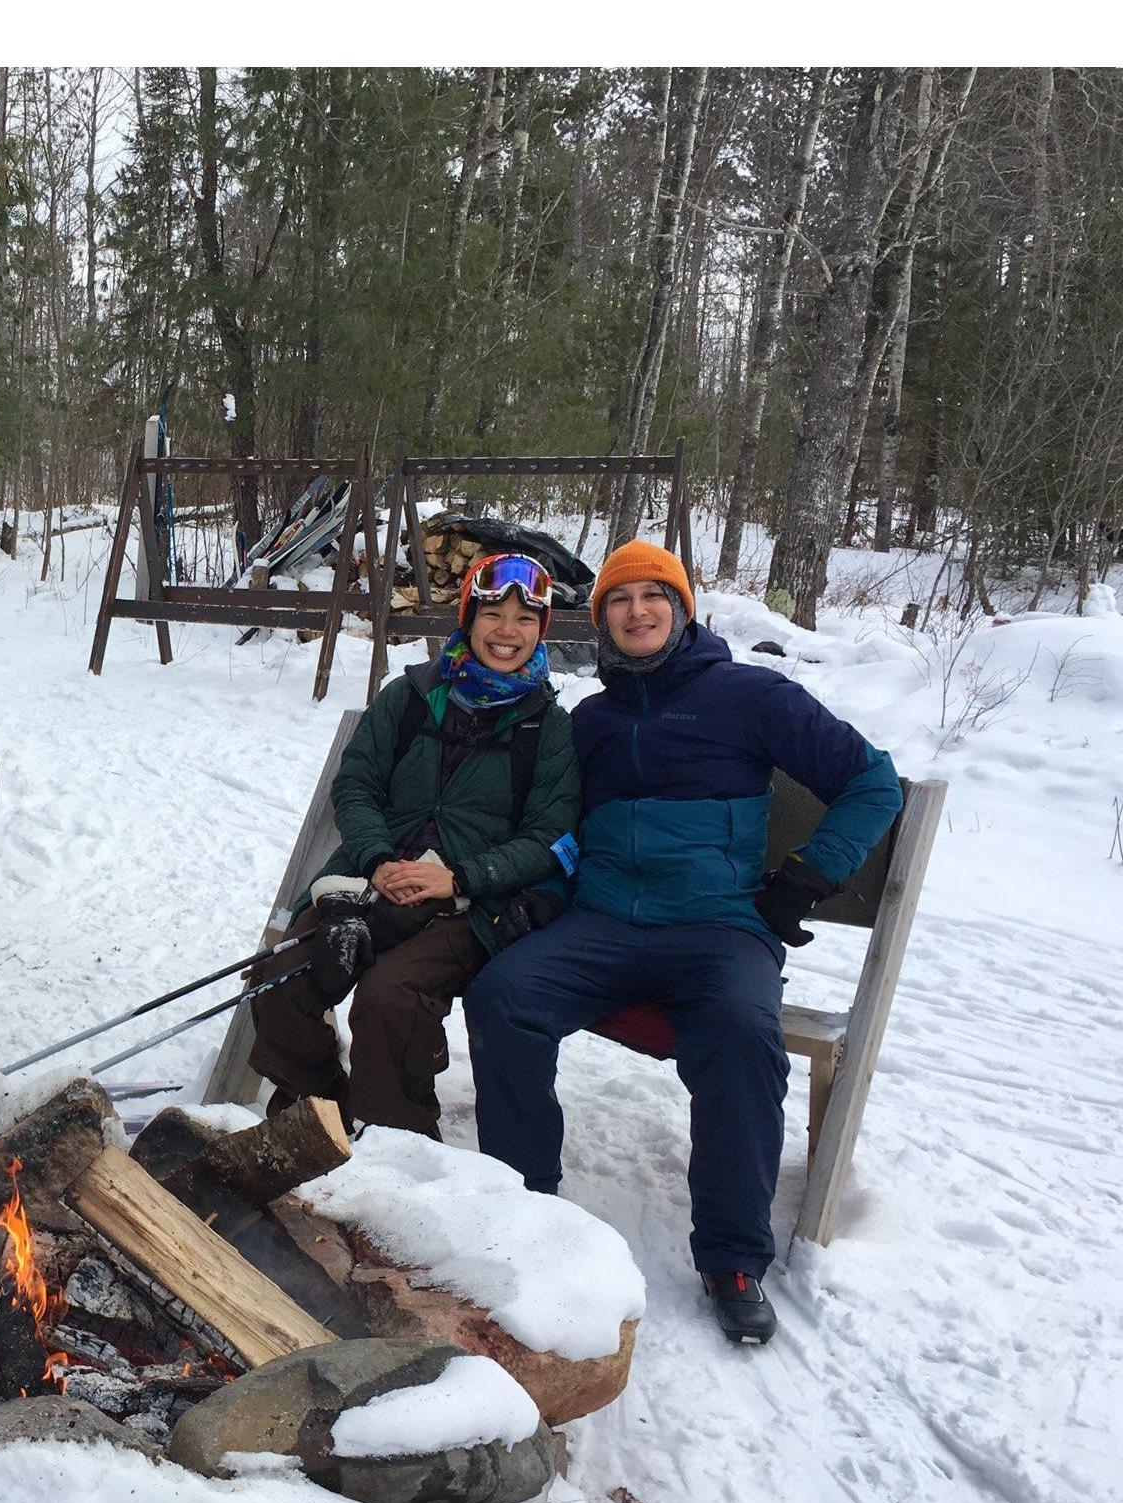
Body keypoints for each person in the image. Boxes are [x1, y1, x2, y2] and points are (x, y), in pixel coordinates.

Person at [462, 542, 904, 1346]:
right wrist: (542, 896)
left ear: (682, 608)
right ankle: (525, 1204)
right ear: (601, 620)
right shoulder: (591, 720)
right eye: (619, 600)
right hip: (600, 926)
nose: (636, 611)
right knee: (504, 995)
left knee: (741, 1033)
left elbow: (872, 780)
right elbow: (562, 828)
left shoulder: (750, 696)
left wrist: (807, 875)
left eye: (652, 597)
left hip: (716, 930)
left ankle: (733, 1258)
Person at [250, 553, 581, 1139]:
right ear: (468, 617)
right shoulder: (408, 696)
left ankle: (397, 1147)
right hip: (366, 885)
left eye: (525, 620)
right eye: (494, 614)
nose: (508, 632)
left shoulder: (547, 727)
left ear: (541, 630)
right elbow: (356, 785)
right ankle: (322, 1115)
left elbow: (549, 835)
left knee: (389, 998)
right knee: (283, 980)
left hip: (470, 906)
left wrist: (461, 878)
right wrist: (378, 861)